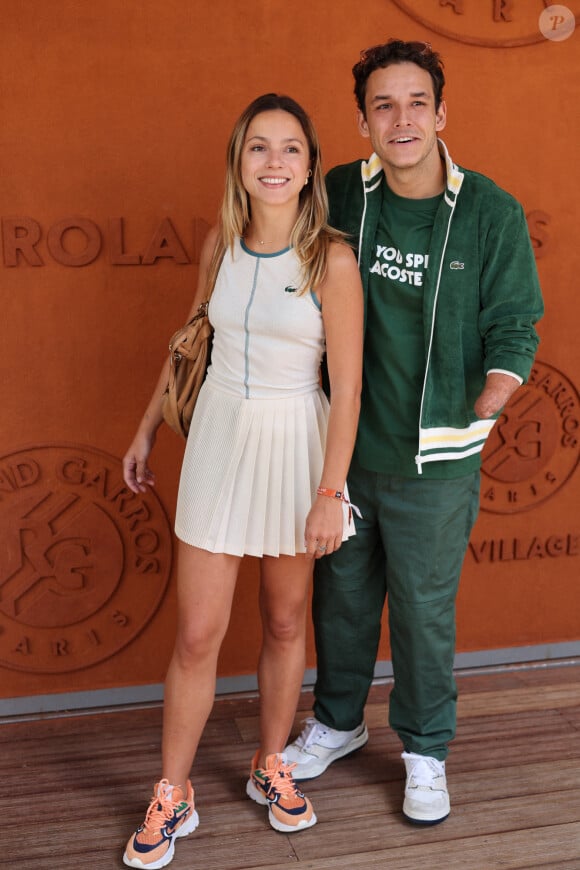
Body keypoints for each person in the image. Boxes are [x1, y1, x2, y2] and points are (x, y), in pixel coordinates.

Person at [285, 40, 543, 826]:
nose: (402, 119)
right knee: (343, 601)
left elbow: (516, 319)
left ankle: (426, 750)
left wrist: (497, 387)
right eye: (384, 106)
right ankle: (336, 721)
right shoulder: (339, 196)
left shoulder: (489, 211)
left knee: (424, 615)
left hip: (435, 459)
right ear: (363, 119)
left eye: (416, 103)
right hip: (343, 450)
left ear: (441, 113)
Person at [121, 92, 363, 868]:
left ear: (310, 165)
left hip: (297, 441)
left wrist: (331, 493)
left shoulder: (332, 257)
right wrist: (148, 425)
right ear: (239, 161)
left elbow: (350, 387)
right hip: (220, 440)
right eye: (259, 148)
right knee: (197, 633)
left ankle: (269, 765)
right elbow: (191, 341)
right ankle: (173, 791)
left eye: (291, 149)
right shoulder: (220, 244)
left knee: (287, 622)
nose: (274, 163)